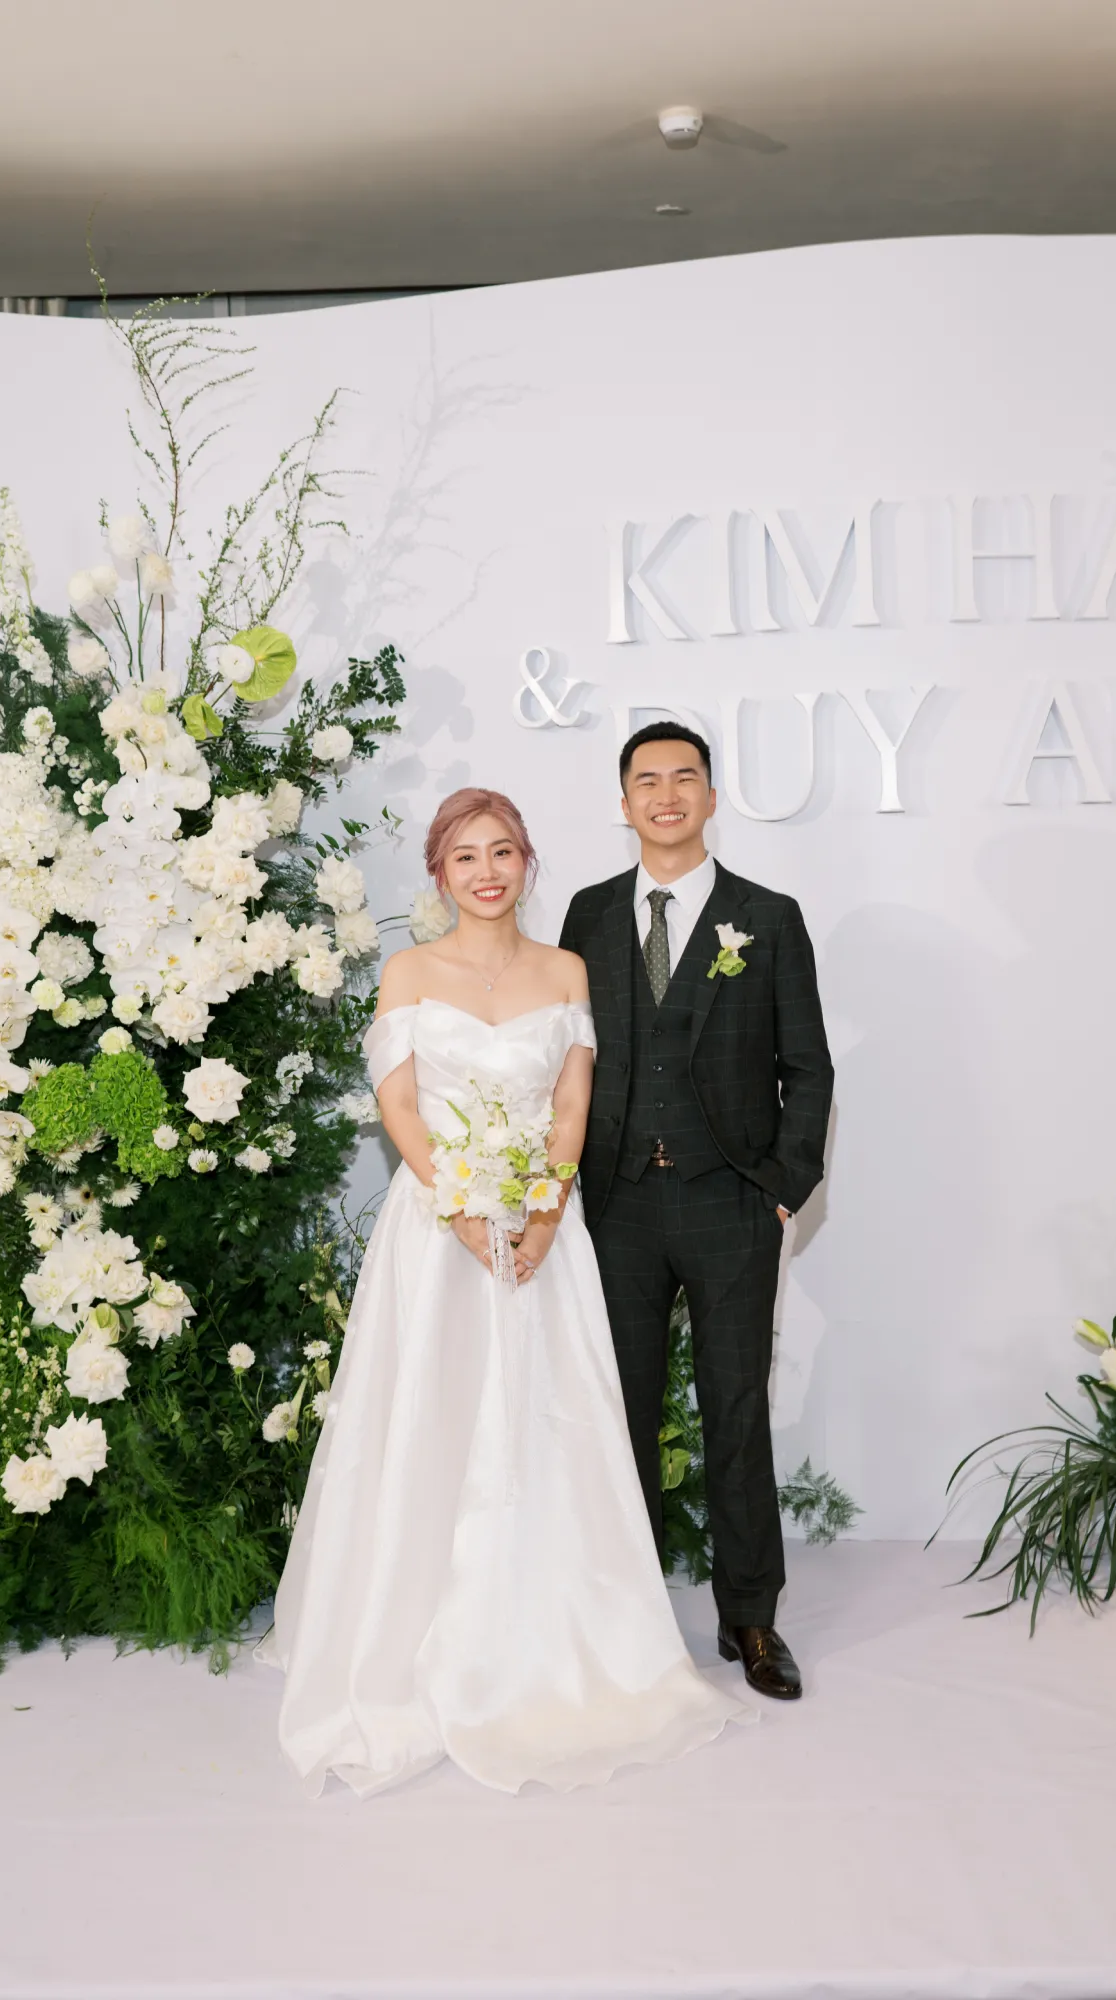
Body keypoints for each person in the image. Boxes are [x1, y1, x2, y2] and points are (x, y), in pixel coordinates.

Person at [257, 786, 751, 1797]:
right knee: (430, 1419)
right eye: (464, 856)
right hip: (437, 1238)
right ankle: (410, 1633)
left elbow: (571, 1100)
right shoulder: (407, 969)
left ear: (527, 862)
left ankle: (549, 1637)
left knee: (545, 1424)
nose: (486, 870)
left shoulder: (563, 967)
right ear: (438, 874)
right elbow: (399, 1104)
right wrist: (459, 1211)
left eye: (503, 851)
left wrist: (540, 1205)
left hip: (541, 1230)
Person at [559, 725, 833, 1701]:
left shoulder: (766, 916)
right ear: (623, 801)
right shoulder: (588, 914)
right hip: (618, 1205)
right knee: (618, 1414)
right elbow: (567, 1052)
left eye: (684, 778)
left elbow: (806, 1065)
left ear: (711, 796)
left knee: (734, 1408)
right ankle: (627, 1620)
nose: (665, 794)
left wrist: (780, 1188)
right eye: (646, 780)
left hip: (728, 1202)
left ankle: (749, 1616)